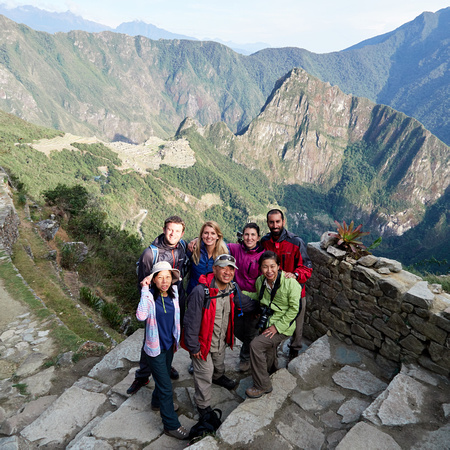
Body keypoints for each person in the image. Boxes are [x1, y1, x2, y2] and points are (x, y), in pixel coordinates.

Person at [181, 254, 258, 417]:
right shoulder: (201, 292)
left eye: (231, 268)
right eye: (223, 267)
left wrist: (261, 307)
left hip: (219, 340)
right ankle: (202, 406)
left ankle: (219, 377)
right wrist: (193, 346)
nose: (227, 272)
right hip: (202, 344)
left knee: (219, 363)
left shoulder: (231, 289)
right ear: (214, 269)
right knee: (204, 373)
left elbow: (244, 302)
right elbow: (190, 320)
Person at [127, 216, 187, 395]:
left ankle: (165, 366)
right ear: (163, 229)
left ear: (182, 233)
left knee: (172, 334)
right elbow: (143, 283)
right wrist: (149, 307)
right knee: (151, 340)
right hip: (157, 303)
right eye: (170, 229)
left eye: (177, 231)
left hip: (177, 299)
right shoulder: (150, 254)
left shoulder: (183, 247)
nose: (173, 234)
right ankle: (142, 376)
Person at [135, 261, 188, 440]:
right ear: (154, 280)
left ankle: (157, 402)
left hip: (168, 346)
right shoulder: (149, 297)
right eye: (160, 277)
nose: (164, 281)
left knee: (163, 375)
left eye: (168, 277)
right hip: (155, 349)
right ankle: (171, 425)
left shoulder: (173, 295)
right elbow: (140, 315)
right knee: (166, 387)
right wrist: (144, 288)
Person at [244, 251, 302, 398]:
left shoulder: (290, 284)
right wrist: (240, 293)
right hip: (267, 321)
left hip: (283, 326)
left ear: (279, 266)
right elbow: (258, 297)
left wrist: (277, 327)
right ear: (260, 268)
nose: (269, 271)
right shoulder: (260, 282)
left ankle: (262, 385)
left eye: (272, 266)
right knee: (268, 347)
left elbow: (295, 309)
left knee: (256, 345)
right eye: (265, 267)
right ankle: (271, 371)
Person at [261, 209, 313, 361]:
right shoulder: (265, 242)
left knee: (297, 325)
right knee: (272, 322)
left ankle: (294, 350)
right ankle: (271, 352)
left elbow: (307, 268)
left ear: (283, 222)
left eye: (278, 221)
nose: (275, 225)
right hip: (273, 294)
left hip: (295, 293)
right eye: (272, 222)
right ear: (268, 223)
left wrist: (295, 275)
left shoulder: (296, 242)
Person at [228, 223, 265, 372]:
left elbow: (266, 282)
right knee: (234, 328)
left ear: (258, 238)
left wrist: (261, 305)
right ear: (242, 236)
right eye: (246, 234)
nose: (249, 238)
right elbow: (217, 243)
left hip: (254, 300)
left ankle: (245, 358)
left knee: (251, 331)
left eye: (252, 235)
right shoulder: (235, 249)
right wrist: (195, 242)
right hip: (237, 297)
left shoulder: (263, 256)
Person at [186, 221, 228, 295]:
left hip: (214, 296)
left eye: (213, 233)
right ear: (201, 235)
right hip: (194, 294)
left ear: (218, 236)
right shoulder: (194, 249)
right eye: (206, 233)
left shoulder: (223, 252)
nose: (209, 236)